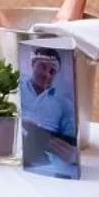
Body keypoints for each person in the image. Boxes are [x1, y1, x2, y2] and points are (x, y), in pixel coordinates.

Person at [19, 46, 79, 174]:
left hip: (49, 166)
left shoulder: (64, 103)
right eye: (42, 67)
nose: (47, 74)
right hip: (16, 155)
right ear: (32, 64)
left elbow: (74, 140)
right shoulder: (17, 87)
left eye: (52, 71)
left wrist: (74, 156)